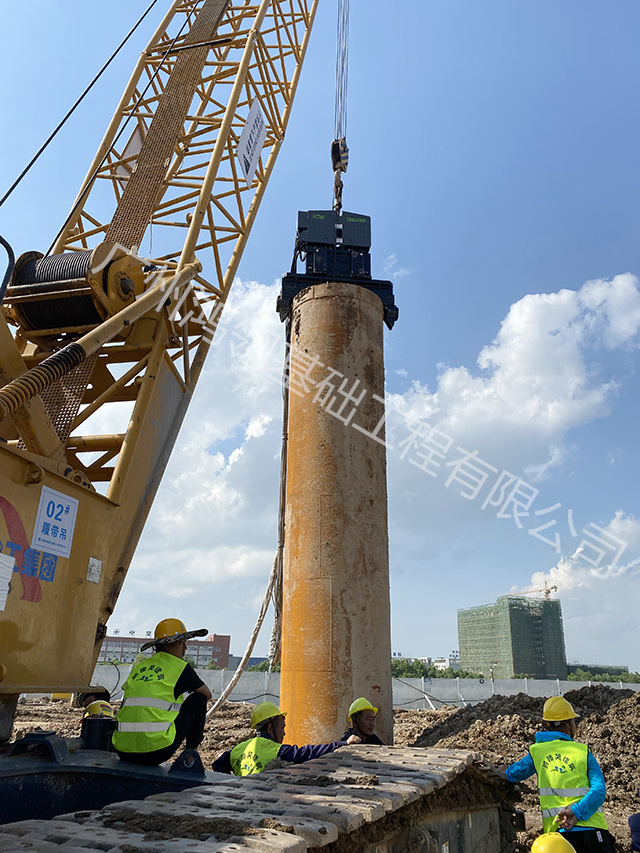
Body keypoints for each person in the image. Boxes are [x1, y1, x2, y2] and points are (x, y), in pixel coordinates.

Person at [504, 696, 616, 852]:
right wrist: (576, 812)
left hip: (558, 838)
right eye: (573, 721)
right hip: (593, 832)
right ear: (567, 725)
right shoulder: (582, 752)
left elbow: (512, 774)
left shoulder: (537, 752)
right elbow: (598, 791)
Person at [112, 618, 212, 766]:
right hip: (155, 751)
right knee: (198, 699)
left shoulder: (140, 667)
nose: (185, 647)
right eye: (181, 642)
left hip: (122, 750)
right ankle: (191, 756)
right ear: (168, 645)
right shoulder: (179, 667)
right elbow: (207, 694)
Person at [211, 701, 361, 776]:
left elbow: (217, 766)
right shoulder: (275, 751)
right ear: (270, 728)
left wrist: (233, 783)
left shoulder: (238, 749)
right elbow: (308, 752)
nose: (284, 733)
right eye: (282, 727)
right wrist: (343, 743)